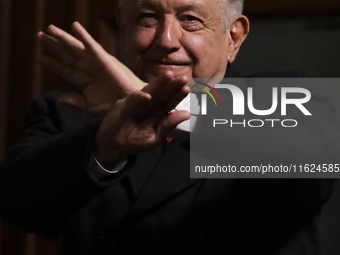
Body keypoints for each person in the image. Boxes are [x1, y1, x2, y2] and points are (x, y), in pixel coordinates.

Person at [0, 0, 338, 254]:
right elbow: (19, 208)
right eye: (147, 18)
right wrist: (103, 147)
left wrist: (173, 106)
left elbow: (309, 173)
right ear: (123, 24)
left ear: (233, 37)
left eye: (190, 20)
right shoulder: (69, 110)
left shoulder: (284, 98)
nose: (165, 39)